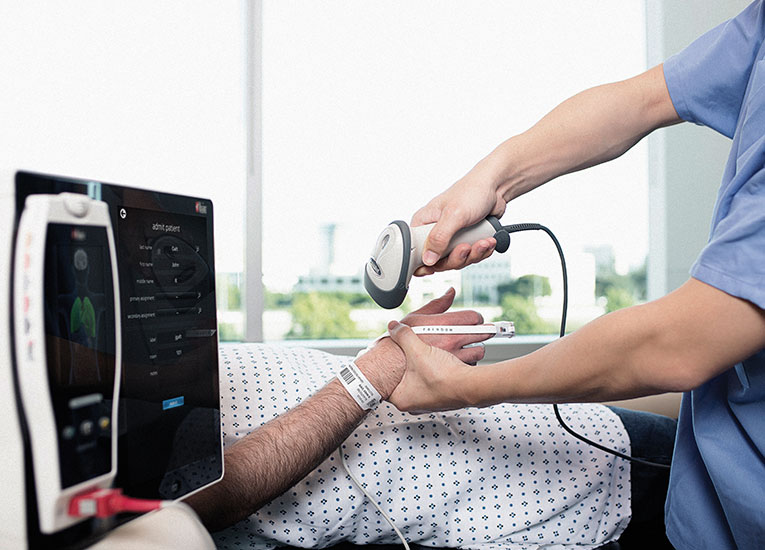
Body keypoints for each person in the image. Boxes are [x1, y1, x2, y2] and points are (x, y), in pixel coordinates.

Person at [385, 2, 765, 549]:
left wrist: (469, 388)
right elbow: (642, 99)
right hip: (704, 504)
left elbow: (679, 344)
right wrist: (490, 181)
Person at [185, 290, 675, 550]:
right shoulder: (124, 486)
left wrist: (395, 353)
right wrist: (381, 364)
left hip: (570, 434)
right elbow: (214, 491)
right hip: (543, 491)